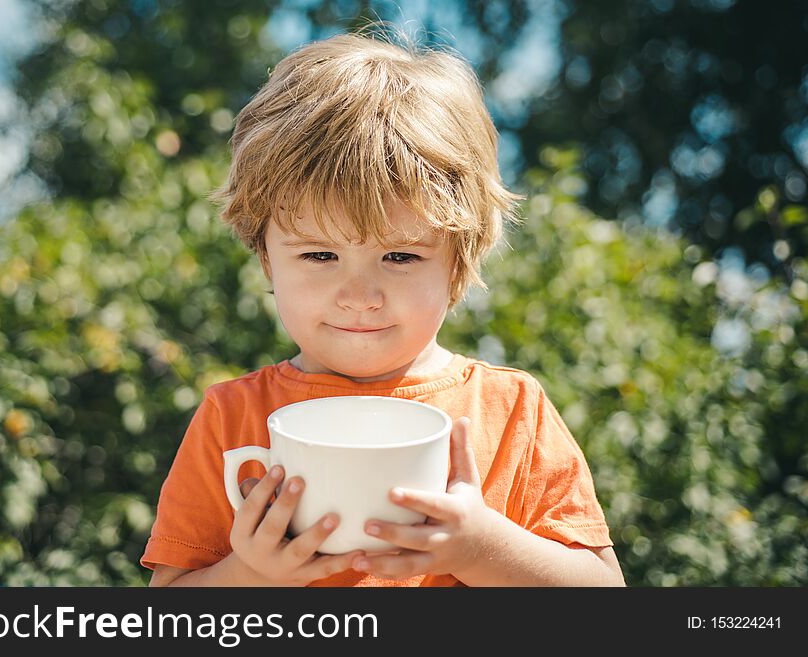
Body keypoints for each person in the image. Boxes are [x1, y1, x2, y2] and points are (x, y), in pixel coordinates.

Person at [141, 28, 625, 587]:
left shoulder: (512, 411)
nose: (360, 295)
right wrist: (252, 573)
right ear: (266, 256)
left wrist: (481, 548)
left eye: (399, 256)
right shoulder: (231, 420)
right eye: (320, 254)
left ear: (458, 260)